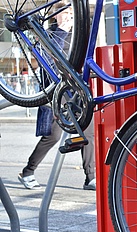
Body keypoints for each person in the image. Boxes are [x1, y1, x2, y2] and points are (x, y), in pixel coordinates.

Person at [18, 2, 96, 191]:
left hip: (75, 92)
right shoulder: (50, 34)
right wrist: (61, 30)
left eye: (71, 12)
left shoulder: (76, 35)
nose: (70, 16)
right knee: (52, 136)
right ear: (55, 16)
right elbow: (48, 61)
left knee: (89, 132)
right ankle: (28, 171)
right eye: (65, 13)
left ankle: (90, 177)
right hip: (54, 93)